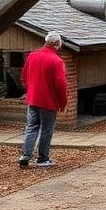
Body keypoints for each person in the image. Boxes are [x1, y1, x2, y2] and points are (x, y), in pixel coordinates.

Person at [18, 31, 68, 168]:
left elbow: (23, 77)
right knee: (46, 129)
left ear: (46, 41)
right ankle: (43, 158)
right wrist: (62, 103)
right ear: (57, 44)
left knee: (31, 127)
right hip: (49, 101)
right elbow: (61, 84)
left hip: (33, 99)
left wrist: (30, 89)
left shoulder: (32, 56)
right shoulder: (57, 61)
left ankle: (25, 155)